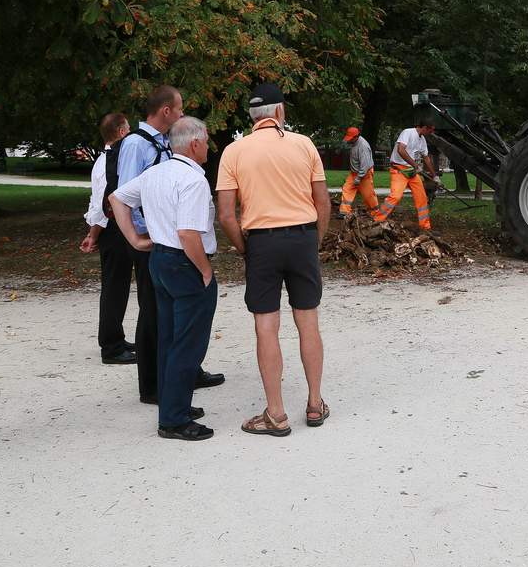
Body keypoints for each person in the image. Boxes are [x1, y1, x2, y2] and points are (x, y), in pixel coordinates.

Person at [216, 82, 332, 437]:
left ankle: (277, 413)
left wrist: (243, 248)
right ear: (279, 111)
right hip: (302, 237)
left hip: (262, 242)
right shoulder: (304, 145)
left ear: (252, 117)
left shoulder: (234, 152)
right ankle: (315, 403)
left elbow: (226, 215)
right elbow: (323, 202)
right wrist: (315, 241)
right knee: (307, 320)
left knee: (266, 326)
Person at [110, 117, 219, 442]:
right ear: (195, 144)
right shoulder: (192, 181)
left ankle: (174, 405)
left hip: (159, 260)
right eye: (207, 141)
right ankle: (173, 420)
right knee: (187, 342)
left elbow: (117, 198)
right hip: (185, 263)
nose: (209, 147)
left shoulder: (155, 173)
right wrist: (205, 270)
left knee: (170, 338)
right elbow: (188, 233)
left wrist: (135, 239)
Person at [79, 112, 137, 365]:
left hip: (111, 228)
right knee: (114, 286)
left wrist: (93, 232)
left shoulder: (105, 160)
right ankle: (111, 346)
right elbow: (103, 204)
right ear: (122, 132)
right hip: (113, 229)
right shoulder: (109, 163)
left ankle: (116, 337)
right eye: (129, 129)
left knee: (118, 285)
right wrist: (94, 234)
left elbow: (96, 203)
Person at [371, 117, 438, 230]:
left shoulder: (422, 140)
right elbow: (401, 150)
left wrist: (435, 176)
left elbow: (426, 158)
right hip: (399, 170)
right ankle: (377, 220)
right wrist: (415, 165)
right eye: (431, 130)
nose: (431, 133)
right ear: (425, 128)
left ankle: (425, 227)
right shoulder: (408, 132)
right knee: (395, 197)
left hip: (412, 172)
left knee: (421, 198)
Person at [339, 126, 378, 216]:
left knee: (368, 195)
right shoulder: (354, 143)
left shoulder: (363, 146)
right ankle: (344, 212)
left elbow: (365, 165)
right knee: (347, 189)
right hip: (354, 173)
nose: (349, 140)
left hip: (364, 173)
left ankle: (375, 212)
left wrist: (359, 177)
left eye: (350, 138)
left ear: (356, 137)